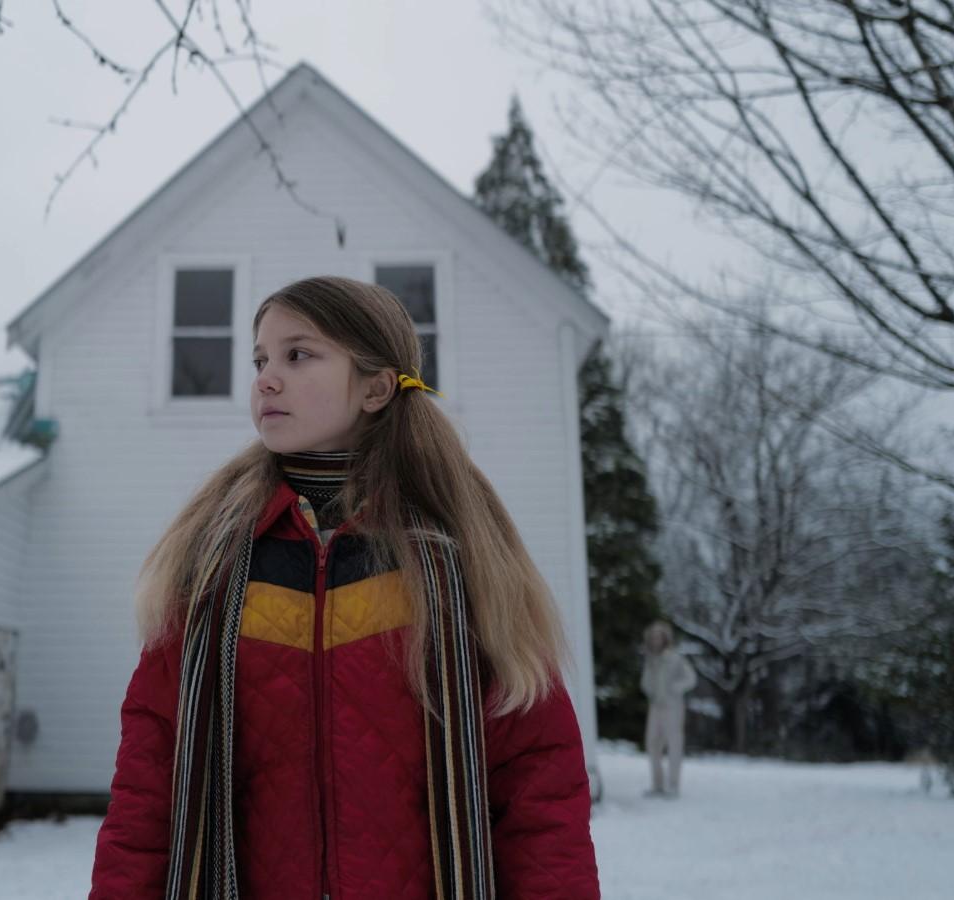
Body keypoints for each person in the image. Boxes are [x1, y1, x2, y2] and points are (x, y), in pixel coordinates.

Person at [88, 276, 601, 899]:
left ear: (377, 387)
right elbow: (148, 783)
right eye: (260, 360)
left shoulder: (459, 560)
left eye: (297, 355)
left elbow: (538, 783)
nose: (266, 379)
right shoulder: (213, 563)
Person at [639, 620, 696, 798]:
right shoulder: (650, 660)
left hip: (673, 707)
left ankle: (673, 785)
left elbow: (690, 678)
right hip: (656, 707)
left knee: (674, 744)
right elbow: (645, 684)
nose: (656, 640)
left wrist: (675, 689)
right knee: (653, 744)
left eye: (659, 637)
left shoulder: (675, 658)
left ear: (665, 638)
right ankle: (658, 784)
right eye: (653, 637)